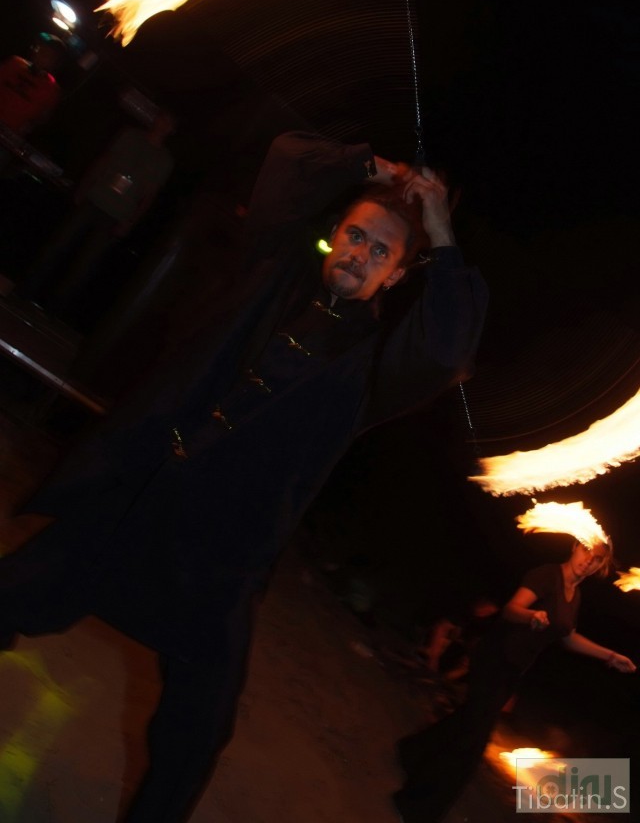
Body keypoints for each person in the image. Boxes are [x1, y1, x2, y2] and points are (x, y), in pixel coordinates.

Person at [0, 130, 488, 823]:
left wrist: (439, 229)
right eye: (355, 235)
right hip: (130, 508)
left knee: (196, 733)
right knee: (14, 594)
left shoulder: (376, 368)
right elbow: (287, 164)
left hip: (217, 564)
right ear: (335, 235)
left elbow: (446, 348)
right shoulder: (274, 275)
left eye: (381, 252)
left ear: (397, 276)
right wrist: (372, 167)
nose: (360, 254)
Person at [393, 537, 636, 823]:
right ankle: (415, 807)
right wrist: (531, 615)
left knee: (466, 721)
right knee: (471, 743)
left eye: (596, 559)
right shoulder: (547, 575)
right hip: (494, 659)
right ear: (574, 547)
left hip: (512, 669)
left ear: (600, 566)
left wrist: (610, 655)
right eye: (586, 551)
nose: (588, 561)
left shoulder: (575, 594)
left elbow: (568, 638)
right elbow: (512, 609)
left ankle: (412, 752)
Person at [17, 109, 175, 317]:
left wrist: (130, 222)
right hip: (95, 198)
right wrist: (84, 187)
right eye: (162, 118)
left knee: (84, 264)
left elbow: (149, 195)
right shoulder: (131, 135)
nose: (162, 124)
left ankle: (54, 308)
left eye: (168, 122)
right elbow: (105, 159)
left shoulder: (163, 160)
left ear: (171, 129)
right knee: (58, 245)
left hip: (117, 213)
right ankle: (26, 291)